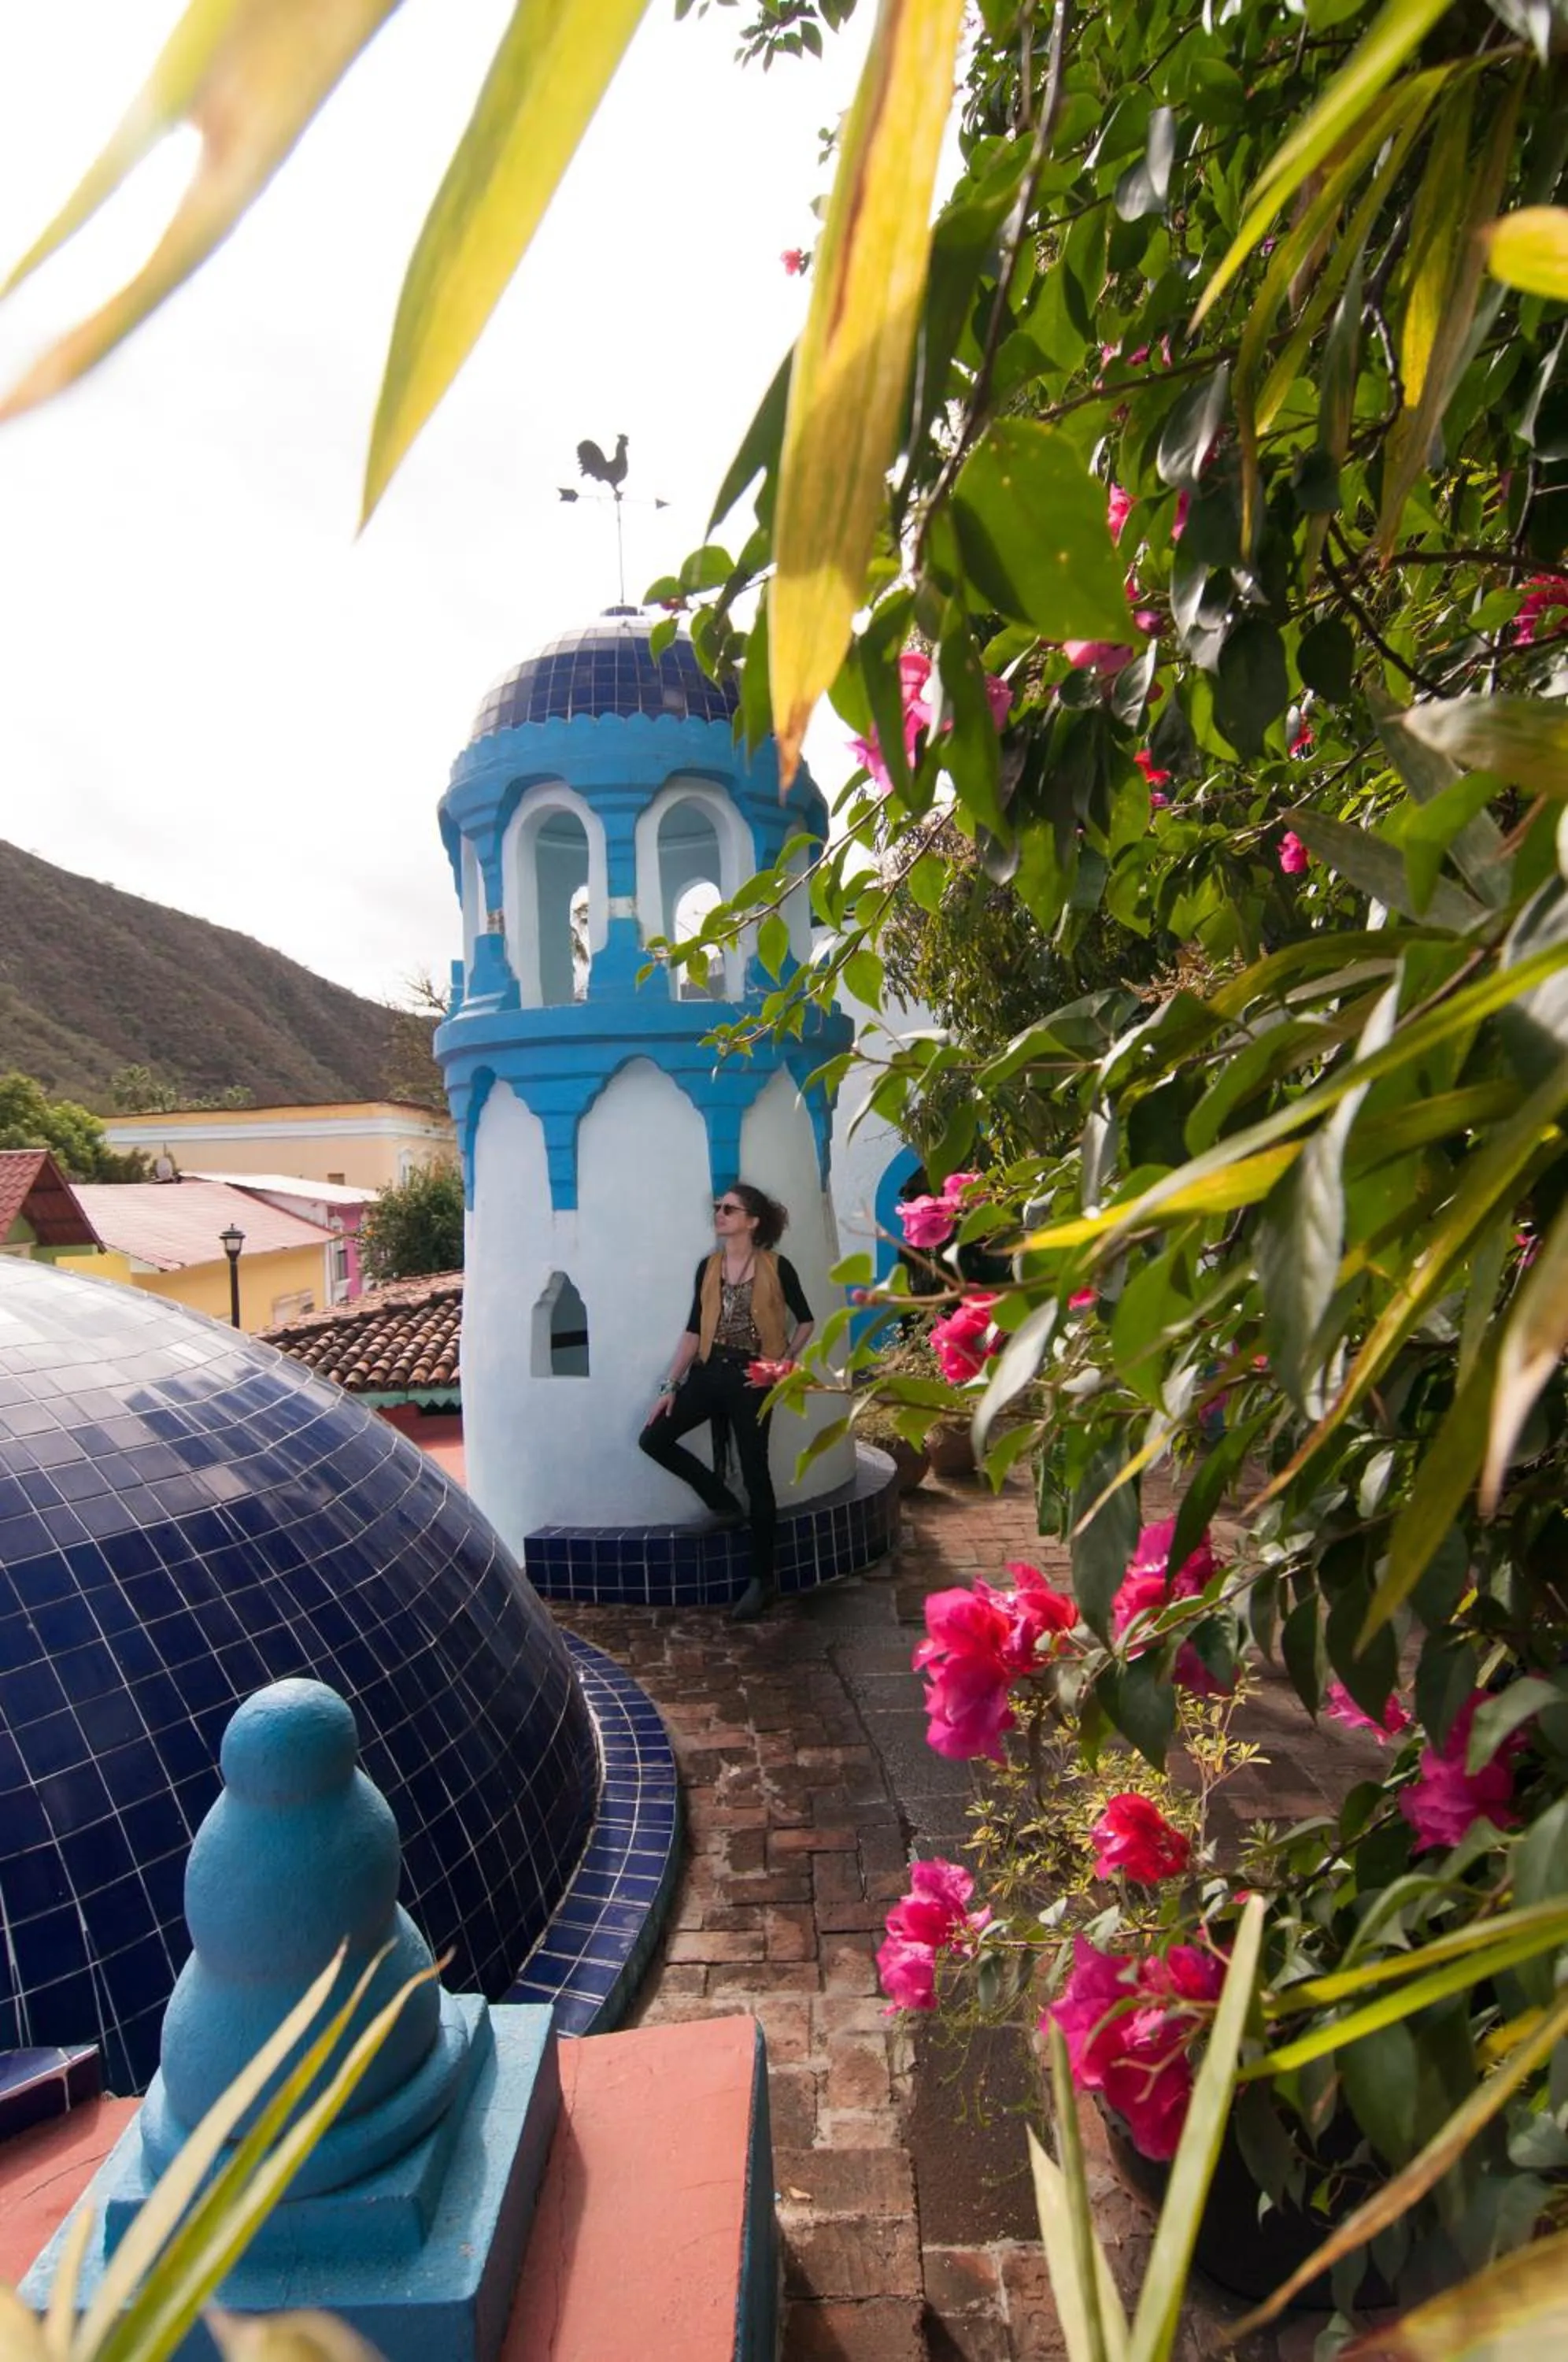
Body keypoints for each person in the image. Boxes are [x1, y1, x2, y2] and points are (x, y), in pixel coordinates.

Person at [639, 1183, 814, 1622]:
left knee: (756, 1473)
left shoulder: (777, 1267)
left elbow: (806, 1321)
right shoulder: (709, 1266)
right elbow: (693, 1329)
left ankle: (762, 1580)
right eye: (718, 1207)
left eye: (729, 1209)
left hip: (753, 1378)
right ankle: (723, 1505)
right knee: (654, 1439)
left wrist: (784, 1364)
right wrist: (670, 1385)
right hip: (708, 1372)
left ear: (752, 1222)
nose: (719, 1214)